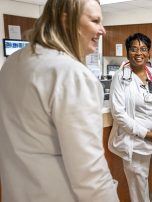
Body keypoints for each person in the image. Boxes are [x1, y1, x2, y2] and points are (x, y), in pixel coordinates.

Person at [0, 0, 119, 202]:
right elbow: (91, 174)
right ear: (66, 20)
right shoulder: (72, 74)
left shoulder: (13, 63)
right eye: (95, 20)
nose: (103, 30)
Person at [108, 33, 152, 202]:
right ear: (127, 53)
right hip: (136, 139)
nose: (138, 53)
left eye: (143, 49)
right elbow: (118, 113)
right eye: (133, 49)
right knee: (139, 184)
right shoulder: (120, 77)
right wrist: (145, 133)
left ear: (148, 52)